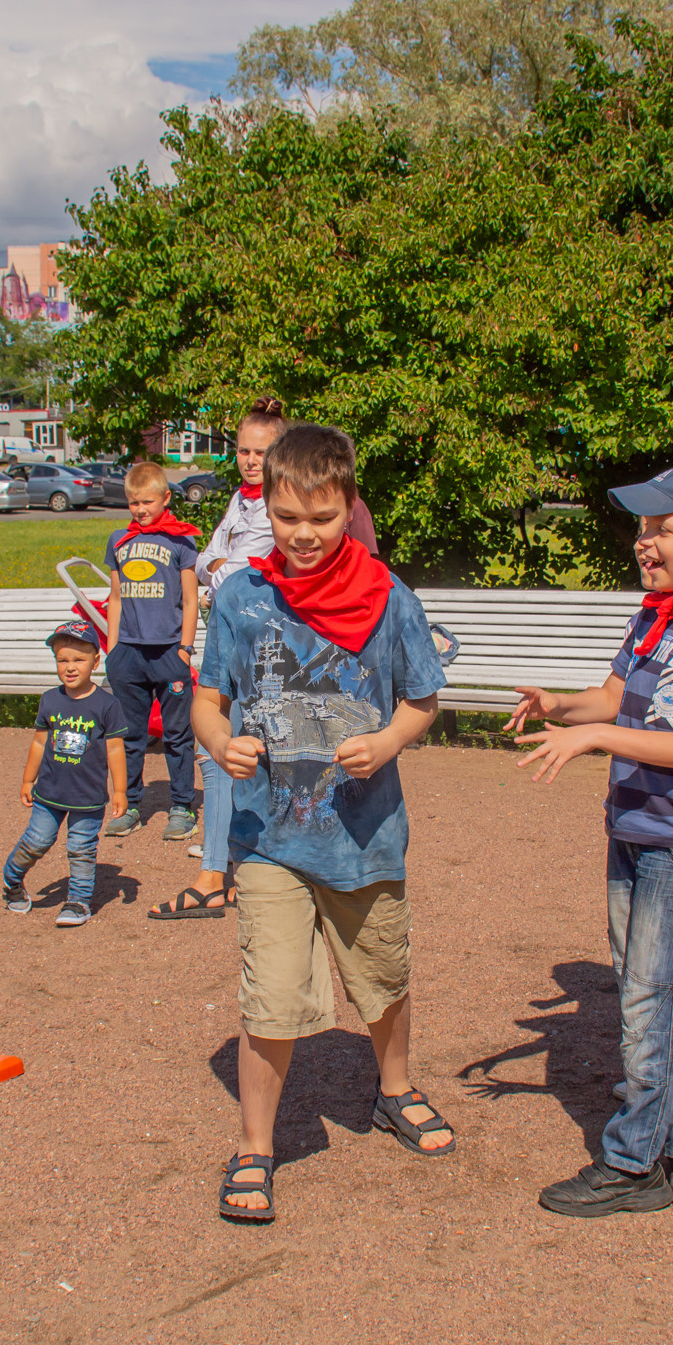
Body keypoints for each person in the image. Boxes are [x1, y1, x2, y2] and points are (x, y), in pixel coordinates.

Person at [193, 421, 453, 1222]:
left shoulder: (389, 597)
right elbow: (207, 701)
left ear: (350, 507)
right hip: (268, 837)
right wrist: (222, 744)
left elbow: (423, 700)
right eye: (286, 517)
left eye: (322, 517)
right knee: (270, 993)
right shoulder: (241, 598)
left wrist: (388, 741)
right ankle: (255, 1144)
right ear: (263, 507)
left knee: (383, 976)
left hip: (364, 836)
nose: (303, 534)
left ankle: (395, 1089)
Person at [509, 461, 673, 1218]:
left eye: (663, 528)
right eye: (643, 528)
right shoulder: (657, 616)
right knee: (647, 989)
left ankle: (632, 1164)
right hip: (633, 826)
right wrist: (561, 705)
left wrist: (596, 738)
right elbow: (614, 697)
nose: (644, 541)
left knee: (648, 999)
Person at [177, 397, 290, 917]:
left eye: (261, 452)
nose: (250, 460)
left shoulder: (278, 504)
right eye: (244, 450)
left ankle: (221, 873)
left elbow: (243, 571)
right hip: (229, 634)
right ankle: (222, 867)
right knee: (220, 748)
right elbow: (207, 561)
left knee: (233, 750)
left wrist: (220, 567)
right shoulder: (240, 501)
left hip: (259, 642)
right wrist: (220, 566)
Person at [101, 461, 200, 845]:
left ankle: (182, 806)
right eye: (133, 502)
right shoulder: (118, 540)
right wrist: (112, 650)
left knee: (177, 734)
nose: (140, 509)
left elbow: (190, 600)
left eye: (147, 502)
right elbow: (114, 598)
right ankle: (129, 805)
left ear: (165, 498)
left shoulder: (181, 541)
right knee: (129, 735)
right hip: (128, 654)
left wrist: (185, 649)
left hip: (169, 654)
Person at [5, 622, 129, 926]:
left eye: (78, 659)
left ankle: (78, 901)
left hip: (88, 796)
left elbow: (115, 750)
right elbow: (39, 742)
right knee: (37, 841)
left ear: (95, 662)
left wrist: (120, 791)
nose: (70, 667)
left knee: (81, 848)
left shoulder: (107, 705)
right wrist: (27, 780)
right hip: (49, 792)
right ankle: (12, 880)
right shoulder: (50, 699)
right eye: (62, 660)